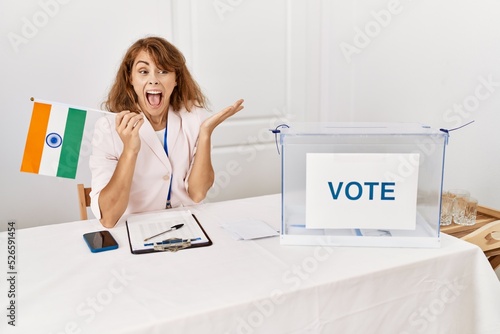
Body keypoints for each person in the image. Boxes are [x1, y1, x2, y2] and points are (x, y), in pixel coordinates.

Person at [89, 36, 244, 228]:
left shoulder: (193, 117)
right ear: (131, 79)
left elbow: (197, 194)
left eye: (163, 71)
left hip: (188, 224)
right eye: (143, 71)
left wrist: (205, 133)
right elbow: (109, 218)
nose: (153, 80)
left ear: (176, 78)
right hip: (134, 228)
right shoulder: (107, 128)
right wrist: (130, 150)